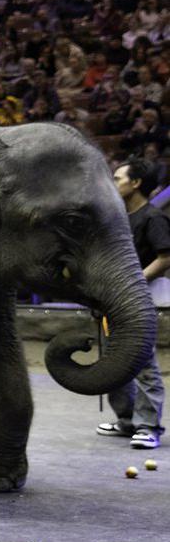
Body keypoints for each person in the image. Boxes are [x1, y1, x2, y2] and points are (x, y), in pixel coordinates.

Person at [98, 159, 168, 448]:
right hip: (113, 300)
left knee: (143, 363)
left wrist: (134, 281)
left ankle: (149, 426)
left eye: (118, 178)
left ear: (136, 183)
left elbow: (165, 257)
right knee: (114, 362)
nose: (113, 183)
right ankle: (127, 421)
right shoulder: (118, 218)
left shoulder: (153, 217)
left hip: (139, 299)